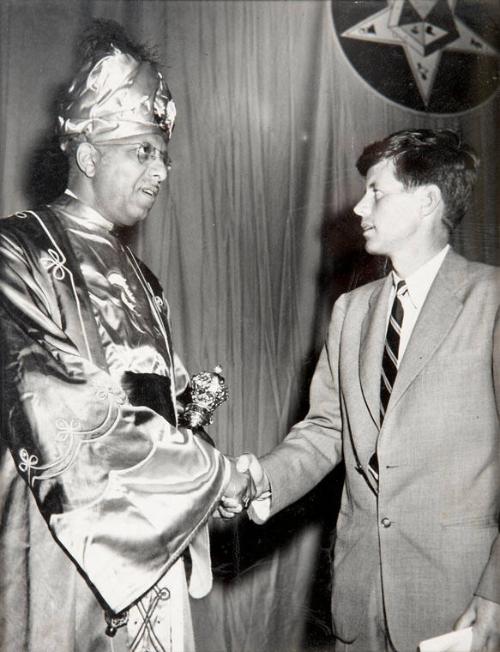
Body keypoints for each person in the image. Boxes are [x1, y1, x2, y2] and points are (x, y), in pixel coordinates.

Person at [0, 20, 250, 652]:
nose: (162, 170)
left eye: (164, 154)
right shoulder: (16, 250)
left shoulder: (147, 281)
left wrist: (191, 426)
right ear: (88, 154)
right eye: (144, 151)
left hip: (156, 551)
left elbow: (149, 403)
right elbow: (52, 399)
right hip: (58, 541)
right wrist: (207, 475)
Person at [224, 129, 500, 652]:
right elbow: (328, 428)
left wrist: (496, 594)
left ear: (426, 201)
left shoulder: (490, 299)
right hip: (358, 596)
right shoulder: (351, 311)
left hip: (460, 603)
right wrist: (259, 477)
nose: (358, 207)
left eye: (377, 191)